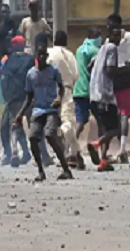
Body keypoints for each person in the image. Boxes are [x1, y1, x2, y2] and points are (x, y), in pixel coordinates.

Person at [14, 44, 73, 181]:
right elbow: (29, 97)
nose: (41, 57)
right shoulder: (31, 74)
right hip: (37, 110)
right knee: (33, 137)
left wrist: (59, 98)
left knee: (49, 135)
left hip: (51, 109)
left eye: (43, 55)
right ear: (36, 57)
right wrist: (20, 114)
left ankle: (66, 169)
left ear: (46, 57)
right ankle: (41, 171)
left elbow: (62, 87)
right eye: (38, 55)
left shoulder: (53, 71)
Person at [86, 24, 129, 172]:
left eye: (119, 36)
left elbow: (89, 67)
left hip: (94, 93)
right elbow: (110, 71)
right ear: (110, 35)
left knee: (106, 128)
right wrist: (125, 69)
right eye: (115, 35)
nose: (117, 39)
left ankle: (103, 160)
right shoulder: (111, 48)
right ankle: (96, 144)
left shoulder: (101, 50)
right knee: (116, 129)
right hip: (105, 95)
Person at [47, 30, 84, 170]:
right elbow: (76, 75)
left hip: (49, 91)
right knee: (68, 122)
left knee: (53, 121)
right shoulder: (68, 55)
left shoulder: (48, 53)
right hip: (66, 90)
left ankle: (71, 153)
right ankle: (73, 153)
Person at [0, 36, 35, 166]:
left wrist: (6, 96)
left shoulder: (8, 60)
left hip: (14, 98)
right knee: (29, 126)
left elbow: (4, 78)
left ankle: (11, 152)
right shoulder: (31, 59)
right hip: (28, 97)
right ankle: (27, 152)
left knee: (8, 126)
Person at [106, 14, 130, 163]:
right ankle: (122, 148)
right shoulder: (129, 37)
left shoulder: (113, 40)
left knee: (121, 115)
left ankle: (122, 148)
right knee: (122, 115)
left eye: (109, 25)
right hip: (122, 76)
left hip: (117, 78)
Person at [74, 26, 102, 149]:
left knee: (80, 122)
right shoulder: (96, 51)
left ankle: (70, 148)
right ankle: (101, 150)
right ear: (96, 37)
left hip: (78, 89)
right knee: (101, 121)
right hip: (91, 90)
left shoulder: (79, 49)